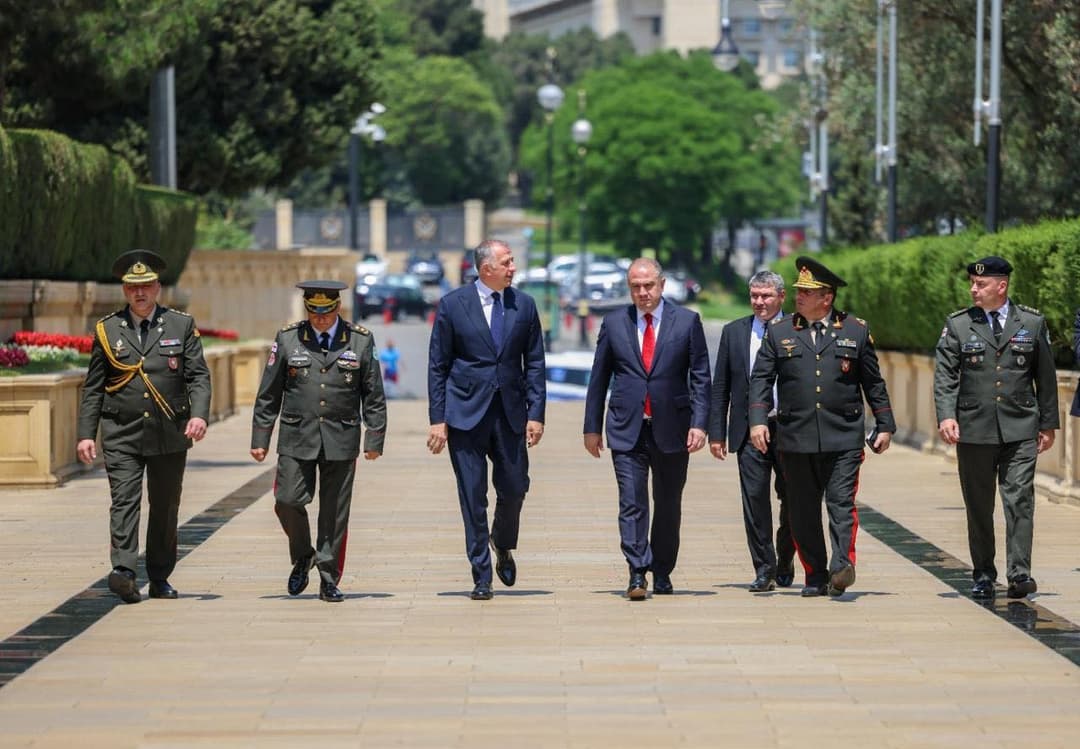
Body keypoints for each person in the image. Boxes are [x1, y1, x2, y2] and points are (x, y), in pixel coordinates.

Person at [748, 257, 895, 598]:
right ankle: (815, 574)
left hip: (842, 436)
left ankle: (842, 564)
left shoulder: (855, 330)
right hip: (795, 438)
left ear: (826, 298)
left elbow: (873, 382)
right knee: (802, 510)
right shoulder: (780, 332)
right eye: (798, 290)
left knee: (842, 502)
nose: (798, 296)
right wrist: (758, 420)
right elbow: (760, 380)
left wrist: (885, 423)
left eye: (806, 292)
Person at [76, 249, 211, 604]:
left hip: (170, 431)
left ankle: (160, 575)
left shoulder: (180, 325)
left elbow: (198, 376)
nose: (140, 293)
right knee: (124, 500)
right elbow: (93, 387)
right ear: (124, 290)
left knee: (165, 506)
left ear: (157, 288)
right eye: (133, 287)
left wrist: (199, 415)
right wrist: (85, 434)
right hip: (121, 432)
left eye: (147, 286)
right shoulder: (107, 330)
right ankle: (123, 570)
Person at [250, 280, 387, 603]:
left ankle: (328, 578)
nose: (320, 319)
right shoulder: (287, 339)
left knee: (334, 512)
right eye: (314, 312)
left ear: (338, 308)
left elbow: (374, 395)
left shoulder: (360, 340)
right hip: (297, 436)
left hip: (342, 436)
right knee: (287, 499)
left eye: (326, 312)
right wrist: (260, 438)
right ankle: (303, 554)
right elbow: (268, 394)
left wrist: (375, 438)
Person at [583, 258, 711, 600]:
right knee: (632, 501)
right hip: (627, 428)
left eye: (648, 286)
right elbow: (599, 378)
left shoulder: (686, 322)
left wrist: (700, 424)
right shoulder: (614, 323)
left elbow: (700, 377)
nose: (642, 293)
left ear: (662, 284)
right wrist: (591, 427)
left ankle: (663, 570)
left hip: (673, 427)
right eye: (636, 287)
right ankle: (637, 570)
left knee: (668, 503)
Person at [427, 239, 546, 601]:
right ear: (486, 268)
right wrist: (438, 419)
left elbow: (535, 363)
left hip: (510, 414)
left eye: (513, 262)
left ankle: (503, 542)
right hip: (465, 414)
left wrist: (536, 413)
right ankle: (481, 574)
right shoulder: (452, 306)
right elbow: (438, 366)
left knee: (514, 487)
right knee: (472, 496)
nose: (513, 268)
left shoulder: (523, 305)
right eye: (507, 262)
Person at [933, 256, 1058, 601]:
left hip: (1020, 428)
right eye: (972, 283)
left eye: (981, 284)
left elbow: (1045, 378)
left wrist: (1048, 424)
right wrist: (946, 415)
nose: (974, 289)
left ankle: (1019, 574)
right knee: (978, 505)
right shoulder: (958, 325)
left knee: (1020, 501)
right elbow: (945, 377)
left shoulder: (1031, 323)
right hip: (974, 430)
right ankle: (984, 574)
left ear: (1001, 286)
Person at [708, 270, 795, 593]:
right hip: (747, 431)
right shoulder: (734, 333)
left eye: (766, 296)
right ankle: (764, 568)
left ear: (781, 297)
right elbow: (721, 388)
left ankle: (785, 556)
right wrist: (717, 432)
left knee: (794, 500)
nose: (759, 302)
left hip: (789, 430)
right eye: (755, 296)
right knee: (754, 500)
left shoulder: (796, 329)